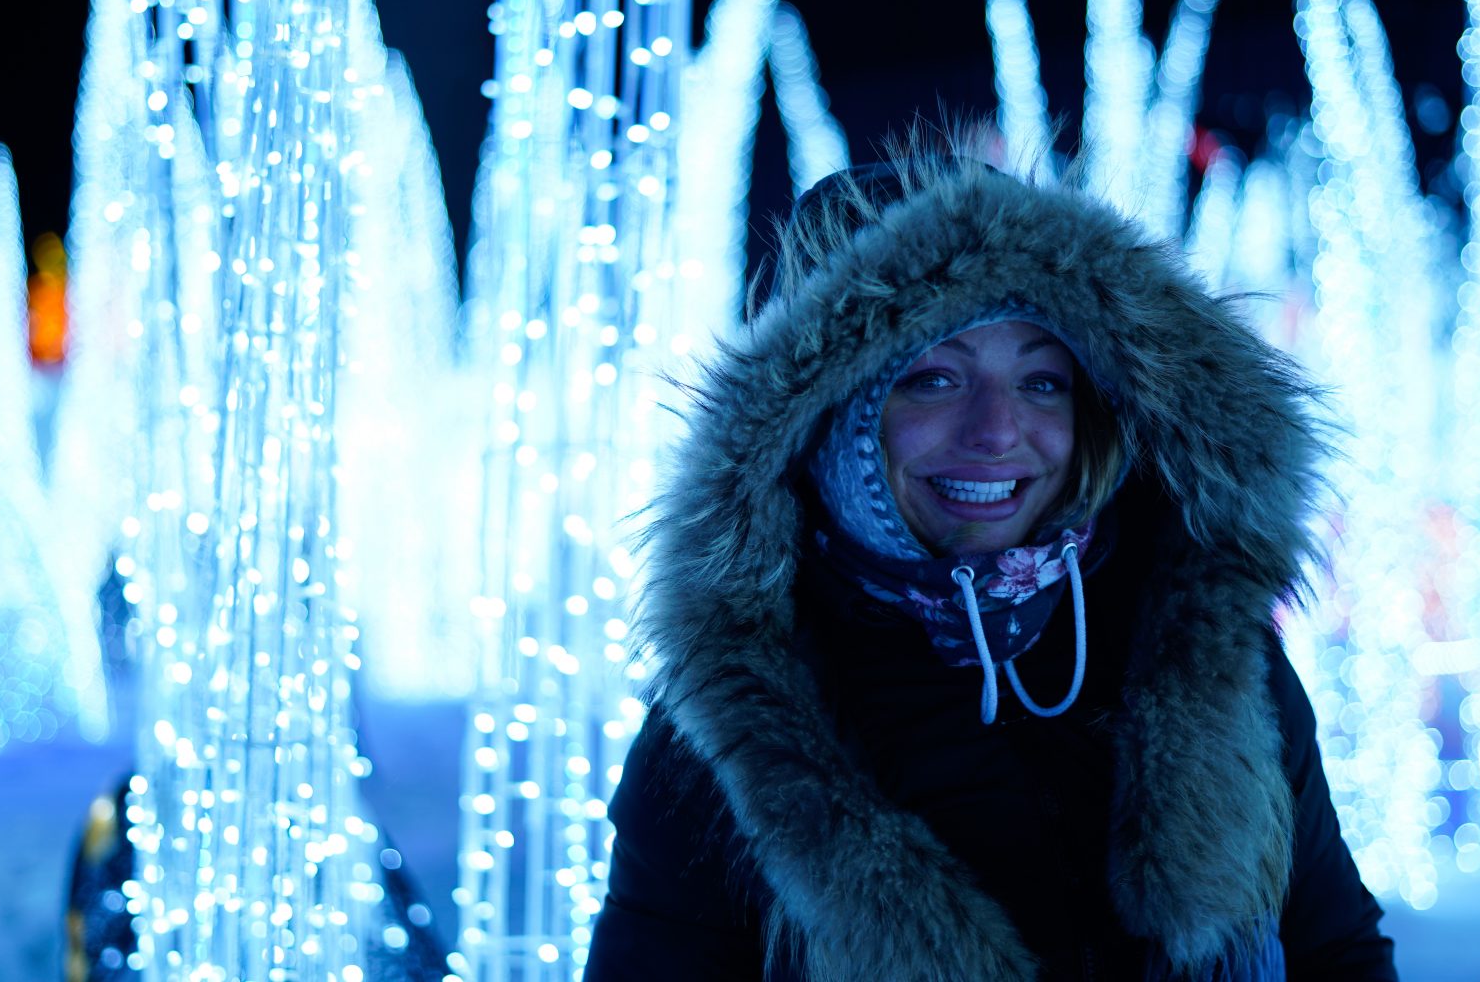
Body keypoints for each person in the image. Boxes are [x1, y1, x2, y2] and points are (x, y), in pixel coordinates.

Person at [586, 153, 1397, 980]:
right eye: (933, 377)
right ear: (829, 412)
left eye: (1043, 380)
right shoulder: (735, 719)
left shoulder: (1199, 647)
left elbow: (1336, 948)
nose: (998, 431)